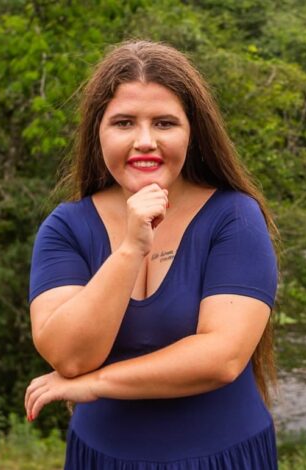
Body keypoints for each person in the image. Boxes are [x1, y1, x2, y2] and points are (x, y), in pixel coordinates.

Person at [23, 40, 279, 469]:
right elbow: (68, 356)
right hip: (100, 458)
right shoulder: (66, 227)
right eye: (124, 123)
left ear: (192, 132)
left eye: (164, 123)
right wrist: (130, 248)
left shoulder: (235, 217)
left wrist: (99, 383)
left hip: (220, 458)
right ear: (97, 132)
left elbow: (222, 357)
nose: (145, 141)